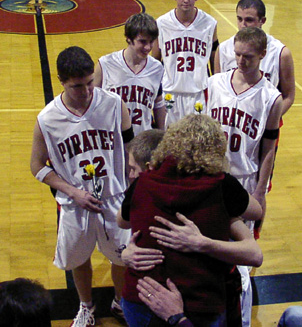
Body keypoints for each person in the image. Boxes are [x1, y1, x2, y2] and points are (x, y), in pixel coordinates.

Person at [118, 113, 262, 327]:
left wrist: (125, 252)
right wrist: (210, 236)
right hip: (199, 304)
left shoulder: (143, 182)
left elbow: (123, 221)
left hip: (140, 298)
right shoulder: (222, 186)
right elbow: (256, 213)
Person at [30, 46, 133, 326]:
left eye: (90, 83)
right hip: (76, 202)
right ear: (62, 81)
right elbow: (37, 166)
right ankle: (86, 306)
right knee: (78, 259)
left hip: (114, 197)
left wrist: (134, 177)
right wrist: (73, 191)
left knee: (122, 259)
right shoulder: (48, 119)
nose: (87, 91)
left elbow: (130, 147)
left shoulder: (113, 103)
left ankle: (119, 301)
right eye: (78, 86)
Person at [207, 26, 283, 327]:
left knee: (239, 257)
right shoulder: (214, 84)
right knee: (211, 242)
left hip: (244, 180)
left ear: (263, 55)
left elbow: (268, 148)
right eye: (237, 54)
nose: (241, 61)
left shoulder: (271, 98)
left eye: (248, 56)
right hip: (213, 176)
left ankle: (241, 318)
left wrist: (261, 190)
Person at [152, 0, 219, 126]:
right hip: (170, 92)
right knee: (169, 140)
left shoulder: (209, 23)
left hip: (198, 93)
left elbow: (215, 60)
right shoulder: (161, 23)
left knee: (197, 140)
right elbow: (155, 61)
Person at [215, 0, 295, 116]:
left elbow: (288, 96)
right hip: (229, 119)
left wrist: (269, 122)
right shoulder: (223, 49)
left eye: (249, 20)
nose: (243, 24)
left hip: (262, 122)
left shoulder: (281, 53)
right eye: (239, 19)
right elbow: (217, 90)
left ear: (262, 21)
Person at [94, 13, 166, 135]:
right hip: (113, 139)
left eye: (151, 41)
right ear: (128, 38)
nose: (148, 47)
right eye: (142, 41)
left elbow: (158, 104)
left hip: (142, 142)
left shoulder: (157, 68)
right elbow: (91, 104)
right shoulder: (105, 64)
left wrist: (162, 136)